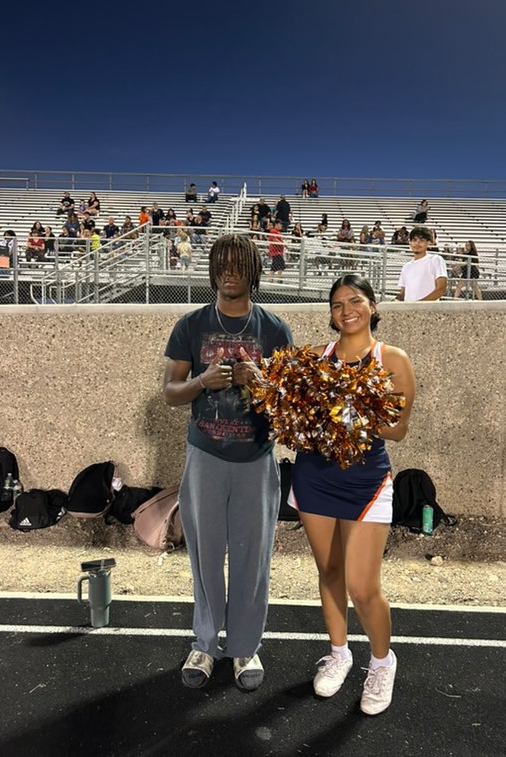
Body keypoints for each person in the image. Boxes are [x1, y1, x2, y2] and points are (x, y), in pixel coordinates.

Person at [163, 234, 293, 691]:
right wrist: (202, 381)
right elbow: (170, 393)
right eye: (223, 263)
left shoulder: (275, 329)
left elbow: (287, 403)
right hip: (206, 455)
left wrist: (259, 382)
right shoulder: (191, 325)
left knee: (251, 558)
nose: (230, 271)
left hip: (256, 457)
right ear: (213, 269)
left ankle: (244, 646)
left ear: (254, 271)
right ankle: (204, 642)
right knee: (204, 555)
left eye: (240, 264)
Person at [290, 274, 415, 715]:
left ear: (373, 306)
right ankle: (339, 653)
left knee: (362, 588)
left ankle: (382, 663)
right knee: (330, 571)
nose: (347, 310)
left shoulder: (392, 359)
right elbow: (292, 414)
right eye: (338, 304)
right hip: (314, 475)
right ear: (330, 313)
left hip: (365, 482)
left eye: (356, 300)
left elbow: (398, 429)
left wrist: (351, 413)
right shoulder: (314, 359)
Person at [395, 227, 447, 301]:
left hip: (429, 308)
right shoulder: (406, 267)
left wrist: (420, 305)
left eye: (421, 240)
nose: (417, 243)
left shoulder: (435, 260)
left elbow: (441, 289)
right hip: (409, 307)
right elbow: (403, 294)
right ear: (410, 243)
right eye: (414, 240)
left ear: (428, 242)